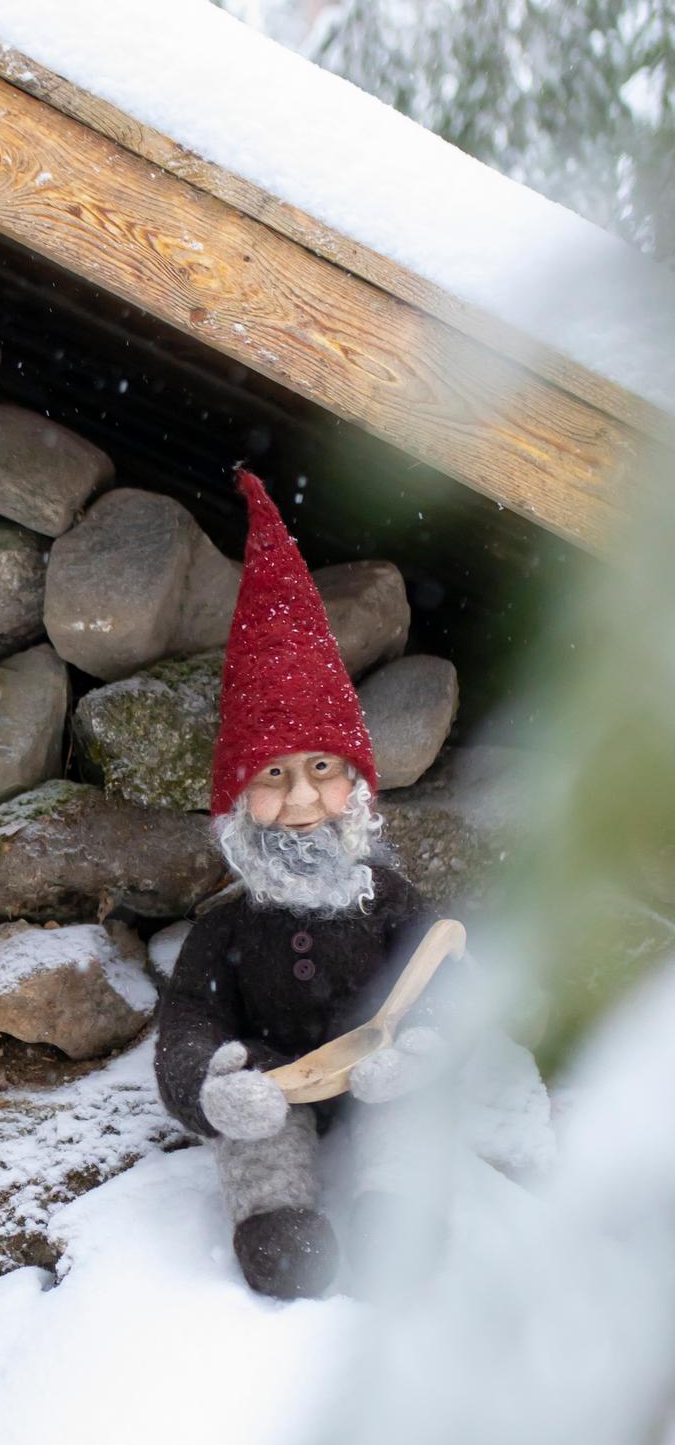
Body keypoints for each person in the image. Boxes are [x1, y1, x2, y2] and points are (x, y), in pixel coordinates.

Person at [155, 468, 443, 1302]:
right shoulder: (230, 930)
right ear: (240, 803)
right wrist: (209, 1086)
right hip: (279, 1083)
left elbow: (447, 974)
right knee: (258, 1129)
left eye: (323, 769)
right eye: (274, 777)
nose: (304, 800)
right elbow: (189, 1017)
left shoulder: (388, 901)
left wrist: (424, 1046)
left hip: (385, 1074)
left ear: (355, 782)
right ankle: (278, 1232)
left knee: (410, 1124)